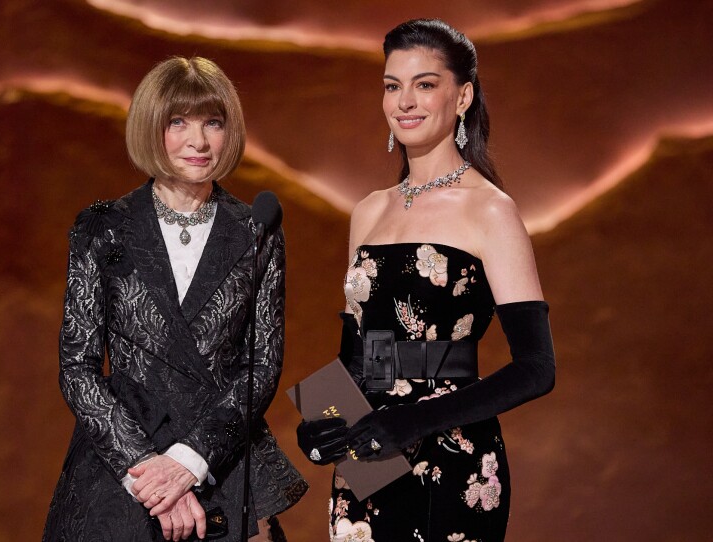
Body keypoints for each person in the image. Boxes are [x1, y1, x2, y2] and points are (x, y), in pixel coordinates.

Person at [296, 19, 555, 542]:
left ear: (462, 97)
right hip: (367, 458)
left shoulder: (491, 210)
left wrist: (414, 423)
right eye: (392, 86)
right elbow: (355, 357)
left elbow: (536, 368)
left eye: (425, 84)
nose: (404, 102)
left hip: (451, 455)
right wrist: (320, 423)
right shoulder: (367, 212)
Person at [43, 56, 307, 542]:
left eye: (213, 122)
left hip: (219, 468)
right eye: (178, 122)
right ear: (151, 127)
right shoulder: (101, 228)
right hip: (119, 472)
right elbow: (77, 368)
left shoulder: (256, 231)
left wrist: (189, 463)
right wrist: (148, 473)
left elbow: (262, 367)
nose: (198, 141)